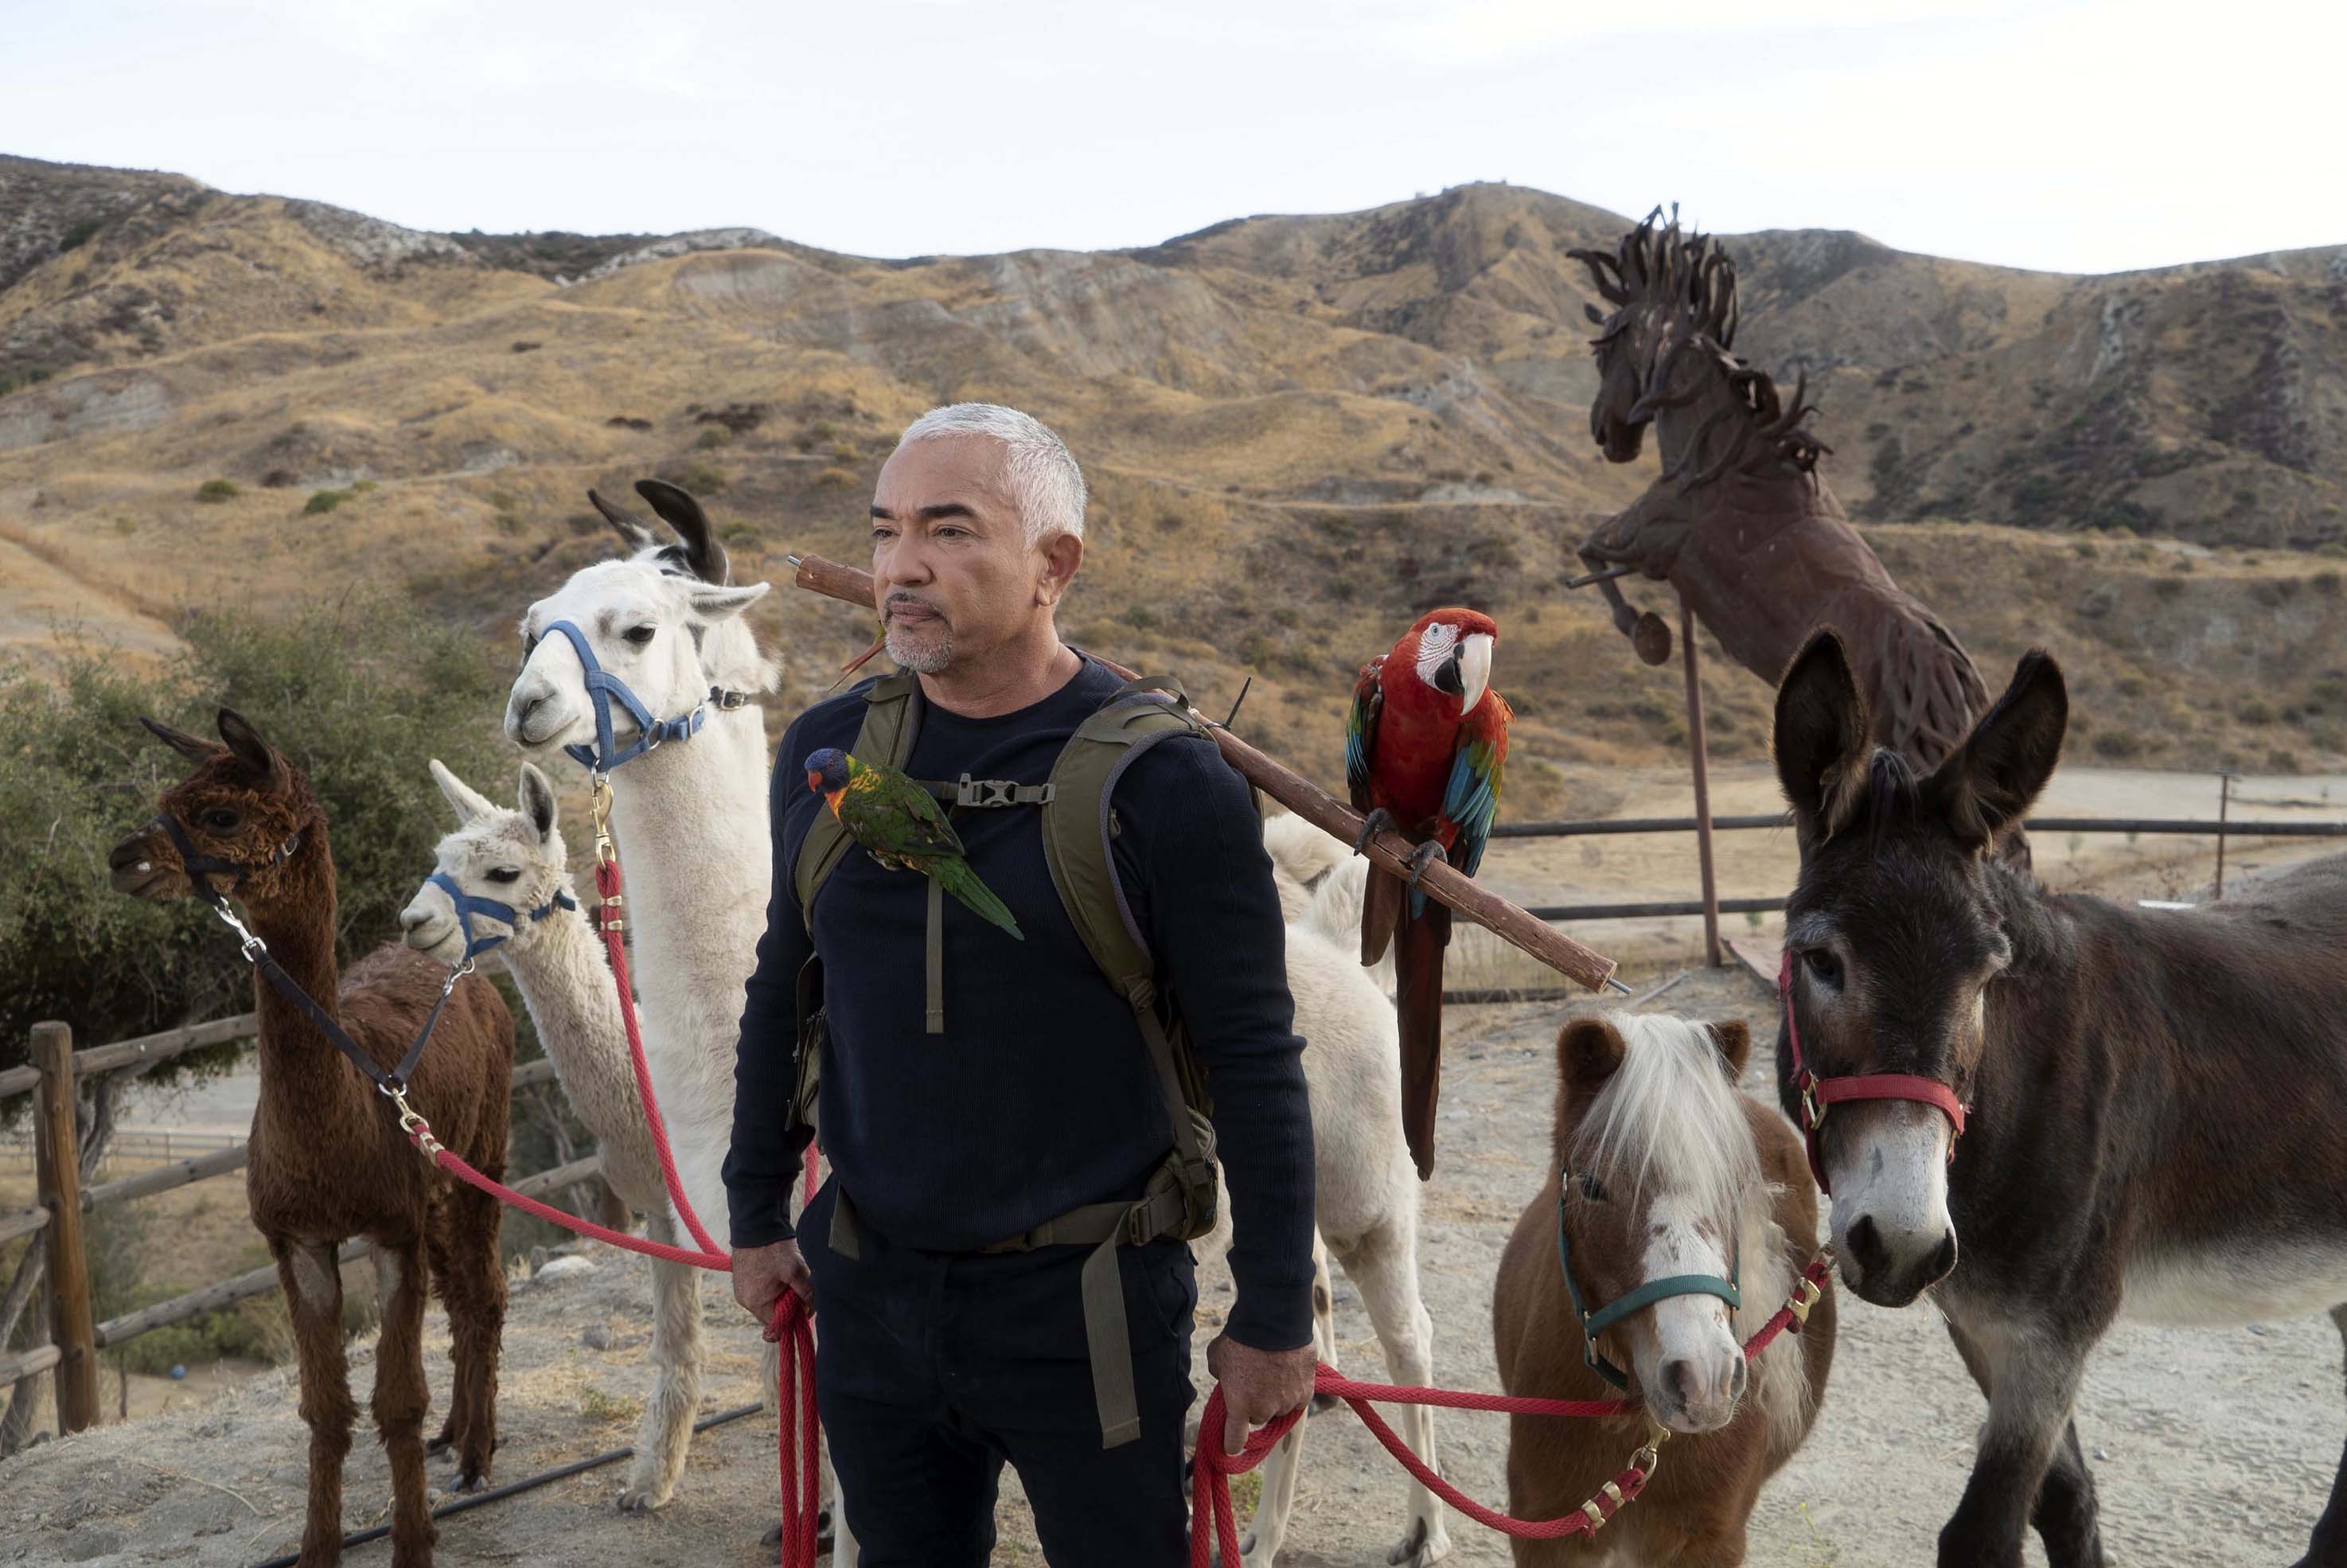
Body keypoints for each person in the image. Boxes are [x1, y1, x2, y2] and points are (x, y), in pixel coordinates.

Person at [726, 403, 1317, 1565]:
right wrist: (753, 1215)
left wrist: (1273, 1314)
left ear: (1055, 565)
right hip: (870, 1293)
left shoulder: (1168, 784)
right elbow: (782, 991)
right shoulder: (826, 753)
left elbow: (1254, 1058)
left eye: (948, 531)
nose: (901, 567)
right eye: (886, 530)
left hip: (1088, 1305)